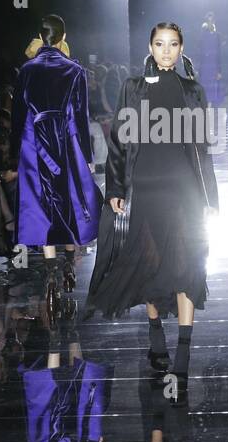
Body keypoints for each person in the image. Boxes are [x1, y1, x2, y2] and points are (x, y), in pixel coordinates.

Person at [87, 22, 219, 383]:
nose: (165, 50)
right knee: (148, 263)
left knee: (188, 267)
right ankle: (156, 331)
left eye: (172, 44)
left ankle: (183, 354)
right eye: (159, 43)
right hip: (143, 190)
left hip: (184, 191)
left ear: (181, 48)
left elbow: (202, 150)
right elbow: (118, 143)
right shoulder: (133, 88)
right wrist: (115, 189)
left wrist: (211, 198)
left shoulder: (193, 90)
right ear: (149, 46)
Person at [11, 14, 103, 277]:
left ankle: (51, 267)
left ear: (40, 37)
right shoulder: (75, 70)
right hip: (66, 138)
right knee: (69, 195)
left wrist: (14, 154)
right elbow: (82, 115)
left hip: (34, 138)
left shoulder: (27, 70)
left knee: (41, 199)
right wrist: (87, 154)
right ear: (64, 37)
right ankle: (70, 258)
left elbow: (18, 115)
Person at [198, 12, 223, 105]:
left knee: (212, 89)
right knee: (204, 87)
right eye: (208, 20)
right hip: (205, 65)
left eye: (211, 20)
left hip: (213, 65)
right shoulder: (202, 35)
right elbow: (200, 52)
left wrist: (219, 70)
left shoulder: (217, 35)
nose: (210, 22)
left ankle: (209, 109)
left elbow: (219, 53)